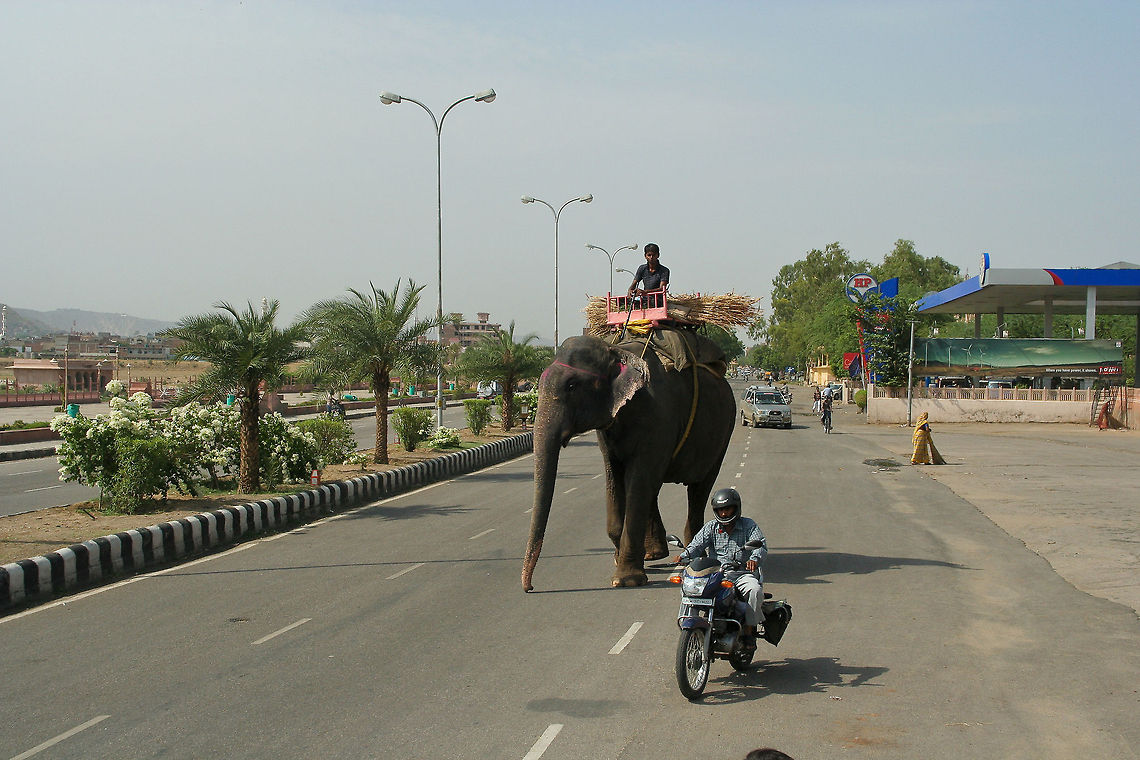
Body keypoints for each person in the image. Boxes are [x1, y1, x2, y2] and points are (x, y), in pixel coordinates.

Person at [677, 487, 767, 650]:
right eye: (720, 510)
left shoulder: (748, 525)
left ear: (736, 508)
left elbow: (760, 545)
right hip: (716, 575)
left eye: (727, 509)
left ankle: (748, 632)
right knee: (689, 588)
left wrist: (754, 559)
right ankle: (688, 626)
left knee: (754, 590)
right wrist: (684, 556)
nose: (724, 514)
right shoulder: (711, 527)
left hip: (741, 574)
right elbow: (696, 545)